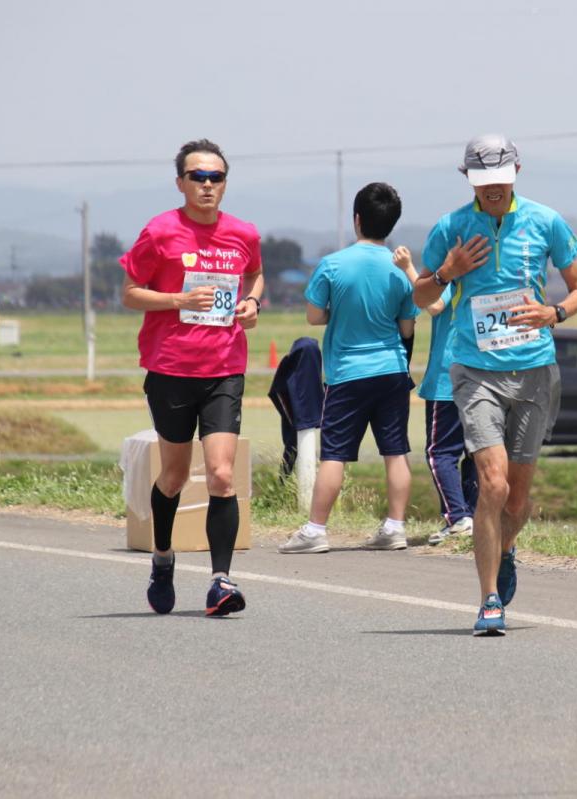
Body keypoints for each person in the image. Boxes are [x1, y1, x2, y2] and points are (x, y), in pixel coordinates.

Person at [412, 134, 577, 635]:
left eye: (500, 181)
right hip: (473, 370)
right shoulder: (451, 227)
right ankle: (489, 598)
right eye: (482, 183)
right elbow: (420, 294)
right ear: (467, 180)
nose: (492, 190)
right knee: (491, 484)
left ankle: (505, 550)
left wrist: (552, 312)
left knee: (516, 498)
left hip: (534, 368)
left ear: (517, 172)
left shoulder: (545, 221)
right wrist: (447, 272)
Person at [120, 138, 264, 616]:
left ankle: (221, 581)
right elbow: (131, 293)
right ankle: (163, 556)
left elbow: (255, 275)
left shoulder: (243, 233)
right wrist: (178, 301)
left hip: (225, 367)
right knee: (176, 474)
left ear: (225, 183)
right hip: (170, 368)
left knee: (222, 474)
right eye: (197, 177)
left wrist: (252, 303)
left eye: (215, 177)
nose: (207, 185)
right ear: (180, 182)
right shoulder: (160, 232)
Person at [279, 182, 418, 554]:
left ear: (356, 219)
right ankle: (395, 527)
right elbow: (407, 327)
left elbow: (313, 316)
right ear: (390, 224)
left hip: (347, 373)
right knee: (395, 451)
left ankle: (315, 530)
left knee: (335, 454)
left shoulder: (332, 265)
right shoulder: (399, 271)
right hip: (392, 369)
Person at [393, 248, 478, 546]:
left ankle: (458, 517)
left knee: (439, 453)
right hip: (480, 377)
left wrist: (408, 268)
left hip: (448, 379)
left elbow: (434, 304)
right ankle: (472, 516)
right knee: (475, 452)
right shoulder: (481, 276)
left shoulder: (451, 274)